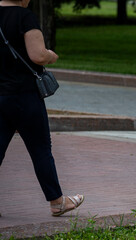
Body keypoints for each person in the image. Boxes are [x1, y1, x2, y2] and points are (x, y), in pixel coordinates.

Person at [0, 0, 84, 217]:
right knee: (40, 149)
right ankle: (57, 202)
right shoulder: (23, 16)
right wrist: (51, 55)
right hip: (24, 95)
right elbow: (37, 55)